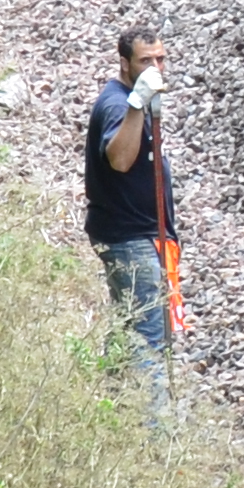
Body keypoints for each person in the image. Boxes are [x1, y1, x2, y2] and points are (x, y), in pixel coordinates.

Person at [87, 25, 181, 418]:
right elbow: (120, 159)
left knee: (129, 325)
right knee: (149, 338)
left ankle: (111, 411)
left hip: (137, 235)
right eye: (146, 61)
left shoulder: (130, 100)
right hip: (132, 239)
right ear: (124, 63)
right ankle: (156, 436)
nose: (156, 68)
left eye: (160, 59)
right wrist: (138, 104)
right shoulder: (117, 104)